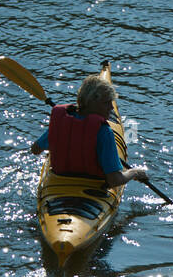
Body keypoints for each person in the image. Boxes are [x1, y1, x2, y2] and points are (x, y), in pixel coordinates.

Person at [30, 61, 149, 189]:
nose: (111, 107)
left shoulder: (62, 121)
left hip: (58, 185)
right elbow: (114, 179)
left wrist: (59, 146)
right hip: (93, 189)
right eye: (107, 102)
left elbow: (35, 149)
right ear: (92, 102)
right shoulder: (103, 131)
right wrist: (133, 172)